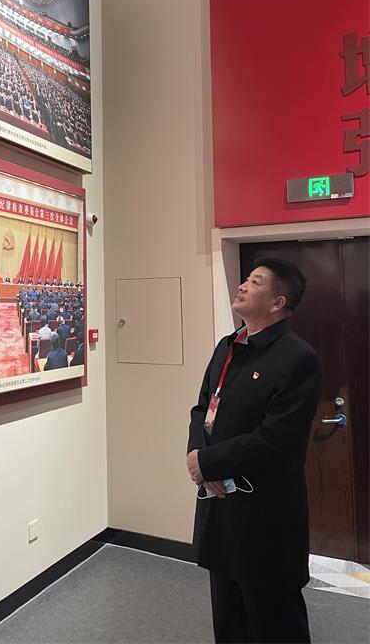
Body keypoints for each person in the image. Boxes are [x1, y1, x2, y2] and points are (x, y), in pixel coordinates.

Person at [186, 257, 321, 644]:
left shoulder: (298, 358)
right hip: (219, 508)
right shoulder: (228, 346)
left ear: (278, 303)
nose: (243, 285)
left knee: (275, 625)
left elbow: (274, 440)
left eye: (256, 281)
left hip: (265, 520)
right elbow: (202, 409)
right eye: (245, 278)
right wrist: (197, 454)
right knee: (229, 621)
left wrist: (206, 463)